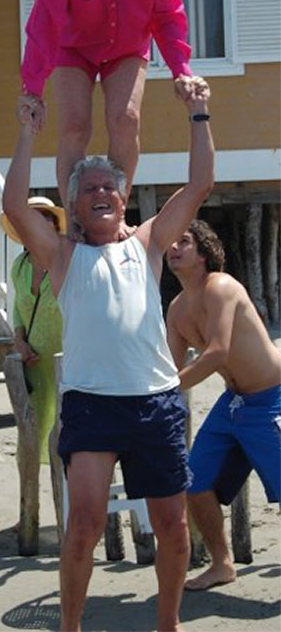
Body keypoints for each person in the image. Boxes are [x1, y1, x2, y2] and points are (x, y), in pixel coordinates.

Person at [3, 76, 214, 631]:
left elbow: (199, 183)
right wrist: (27, 133)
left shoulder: (147, 244)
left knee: (172, 525)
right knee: (84, 526)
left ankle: (166, 624)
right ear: (72, 202)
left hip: (155, 404)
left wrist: (198, 114)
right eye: (88, 187)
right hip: (93, 406)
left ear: (124, 197)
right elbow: (13, 205)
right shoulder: (61, 255)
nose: (99, 192)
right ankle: (70, 627)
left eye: (109, 187)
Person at [18, 0, 194, 206]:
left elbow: (168, 15)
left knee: (124, 119)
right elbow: (43, 26)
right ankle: (74, 215)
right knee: (74, 126)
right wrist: (32, 90)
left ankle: (115, 212)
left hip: (126, 49)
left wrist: (180, 70)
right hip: (75, 49)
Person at [165, 219, 281, 591]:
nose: (173, 248)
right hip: (233, 405)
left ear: (203, 253)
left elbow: (216, 353)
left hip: (272, 398)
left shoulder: (222, 287)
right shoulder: (177, 309)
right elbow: (170, 367)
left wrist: (163, 391)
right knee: (195, 483)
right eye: (170, 242)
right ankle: (222, 564)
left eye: (183, 242)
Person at [1, 197, 65, 465]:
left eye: (45, 217)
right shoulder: (20, 266)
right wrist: (19, 340)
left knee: (66, 434)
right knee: (32, 434)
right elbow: (18, 307)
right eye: (32, 217)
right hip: (34, 362)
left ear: (54, 224)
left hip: (67, 361)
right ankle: (31, 503)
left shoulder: (67, 261)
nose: (39, 222)